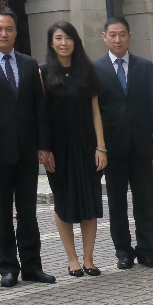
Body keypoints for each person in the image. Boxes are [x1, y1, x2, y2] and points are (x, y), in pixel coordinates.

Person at [0, 10, 55, 287]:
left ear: (15, 32)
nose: (4, 34)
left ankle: (33, 266)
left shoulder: (29, 63)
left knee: (28, 212)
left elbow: (40, 108)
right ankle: (8, 268)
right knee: (2, 214)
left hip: (28, 151)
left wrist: (44, 145)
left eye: (8, 29)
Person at [94, 16, 153, 270]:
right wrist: (98, 146)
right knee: (117, 202)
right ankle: (123, 251)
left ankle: (147, 250)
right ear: (104, 37)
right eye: (112, 34)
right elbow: (95, 111)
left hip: (141, 144)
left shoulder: (144, 66)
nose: (117, 39)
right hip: (112, 147)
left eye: (122, 34)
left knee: (145, 200)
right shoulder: (96, 68)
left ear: (129, 36)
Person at [40, 22, 106, 277]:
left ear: (76, 42)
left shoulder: (87, 71)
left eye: (68, 38)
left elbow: (95, 112)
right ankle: (72, 260)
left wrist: (101, 148)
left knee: (90, 202)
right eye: (58, 38)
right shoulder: (43, 73)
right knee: (64, 204)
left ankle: (89, 259)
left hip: (87, 146)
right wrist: (45, 149)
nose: (64, 43)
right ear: (51, 43)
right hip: (59, 150)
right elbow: (42, 115)